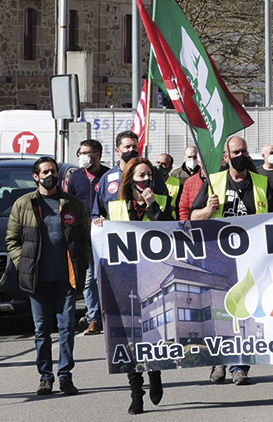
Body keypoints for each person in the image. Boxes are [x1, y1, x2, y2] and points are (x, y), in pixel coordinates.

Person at [190, 136, 273, 386]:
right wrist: (208, 210)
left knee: (245, 312)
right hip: (219, 259)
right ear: (226, 157)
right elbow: (193, 217)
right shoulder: (214, 181)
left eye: (244, 151)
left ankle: (241, 366)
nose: (241, 156)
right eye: (236, 152)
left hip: (251, 259)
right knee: (220, 312)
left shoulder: (261, 182)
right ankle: (219, 361)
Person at [6, 157, 91, 397]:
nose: (50, 175)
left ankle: (65, 376)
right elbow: (12, 240)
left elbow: (85, 238)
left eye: (53, 171)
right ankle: (45, 377)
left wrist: (82, 262)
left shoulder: (72, 204)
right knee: (42, 331)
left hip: (66, 279)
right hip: (38, 280)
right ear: (36, 176)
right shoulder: (23, 204)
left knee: (66, 329)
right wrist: (23, 263)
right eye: (45, 172)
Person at [99, 157, 173, 414]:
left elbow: (169, 230)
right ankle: (136, 393)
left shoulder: (162, 201)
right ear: (130, 179)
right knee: (129, 336)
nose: (146, 180)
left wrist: (153, 206)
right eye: (141, 176)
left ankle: (155, 373)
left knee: (152, 333)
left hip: (153, 277)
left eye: (149, 175)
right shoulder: (117, 206)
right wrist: (99, 225)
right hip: (125, 279)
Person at [65, 139, 108, 336]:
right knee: (90, 279)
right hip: (85, 235)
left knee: (105, 277)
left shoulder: (108, 176)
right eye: (80, 153)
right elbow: (68, 203)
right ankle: (94, 318)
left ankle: (110, 315)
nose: (82, 157)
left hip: (105, 233)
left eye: (86, 153)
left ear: (97, 155)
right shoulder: (75, 177)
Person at [92, 131, 168, 220]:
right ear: (118, 151)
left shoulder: (153, 173)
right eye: (127, 147)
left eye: (135, 147)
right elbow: (98, 211)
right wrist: (99, 220)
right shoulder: (107, 178)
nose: (131, 150)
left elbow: (164, 203)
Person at [154, 153, 181, 219]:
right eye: (158, 162)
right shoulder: (149, 181)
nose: (159, 166)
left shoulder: (177, 184)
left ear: (170, 168)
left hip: (170, 220)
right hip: (152, 218)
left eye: (164, 164)